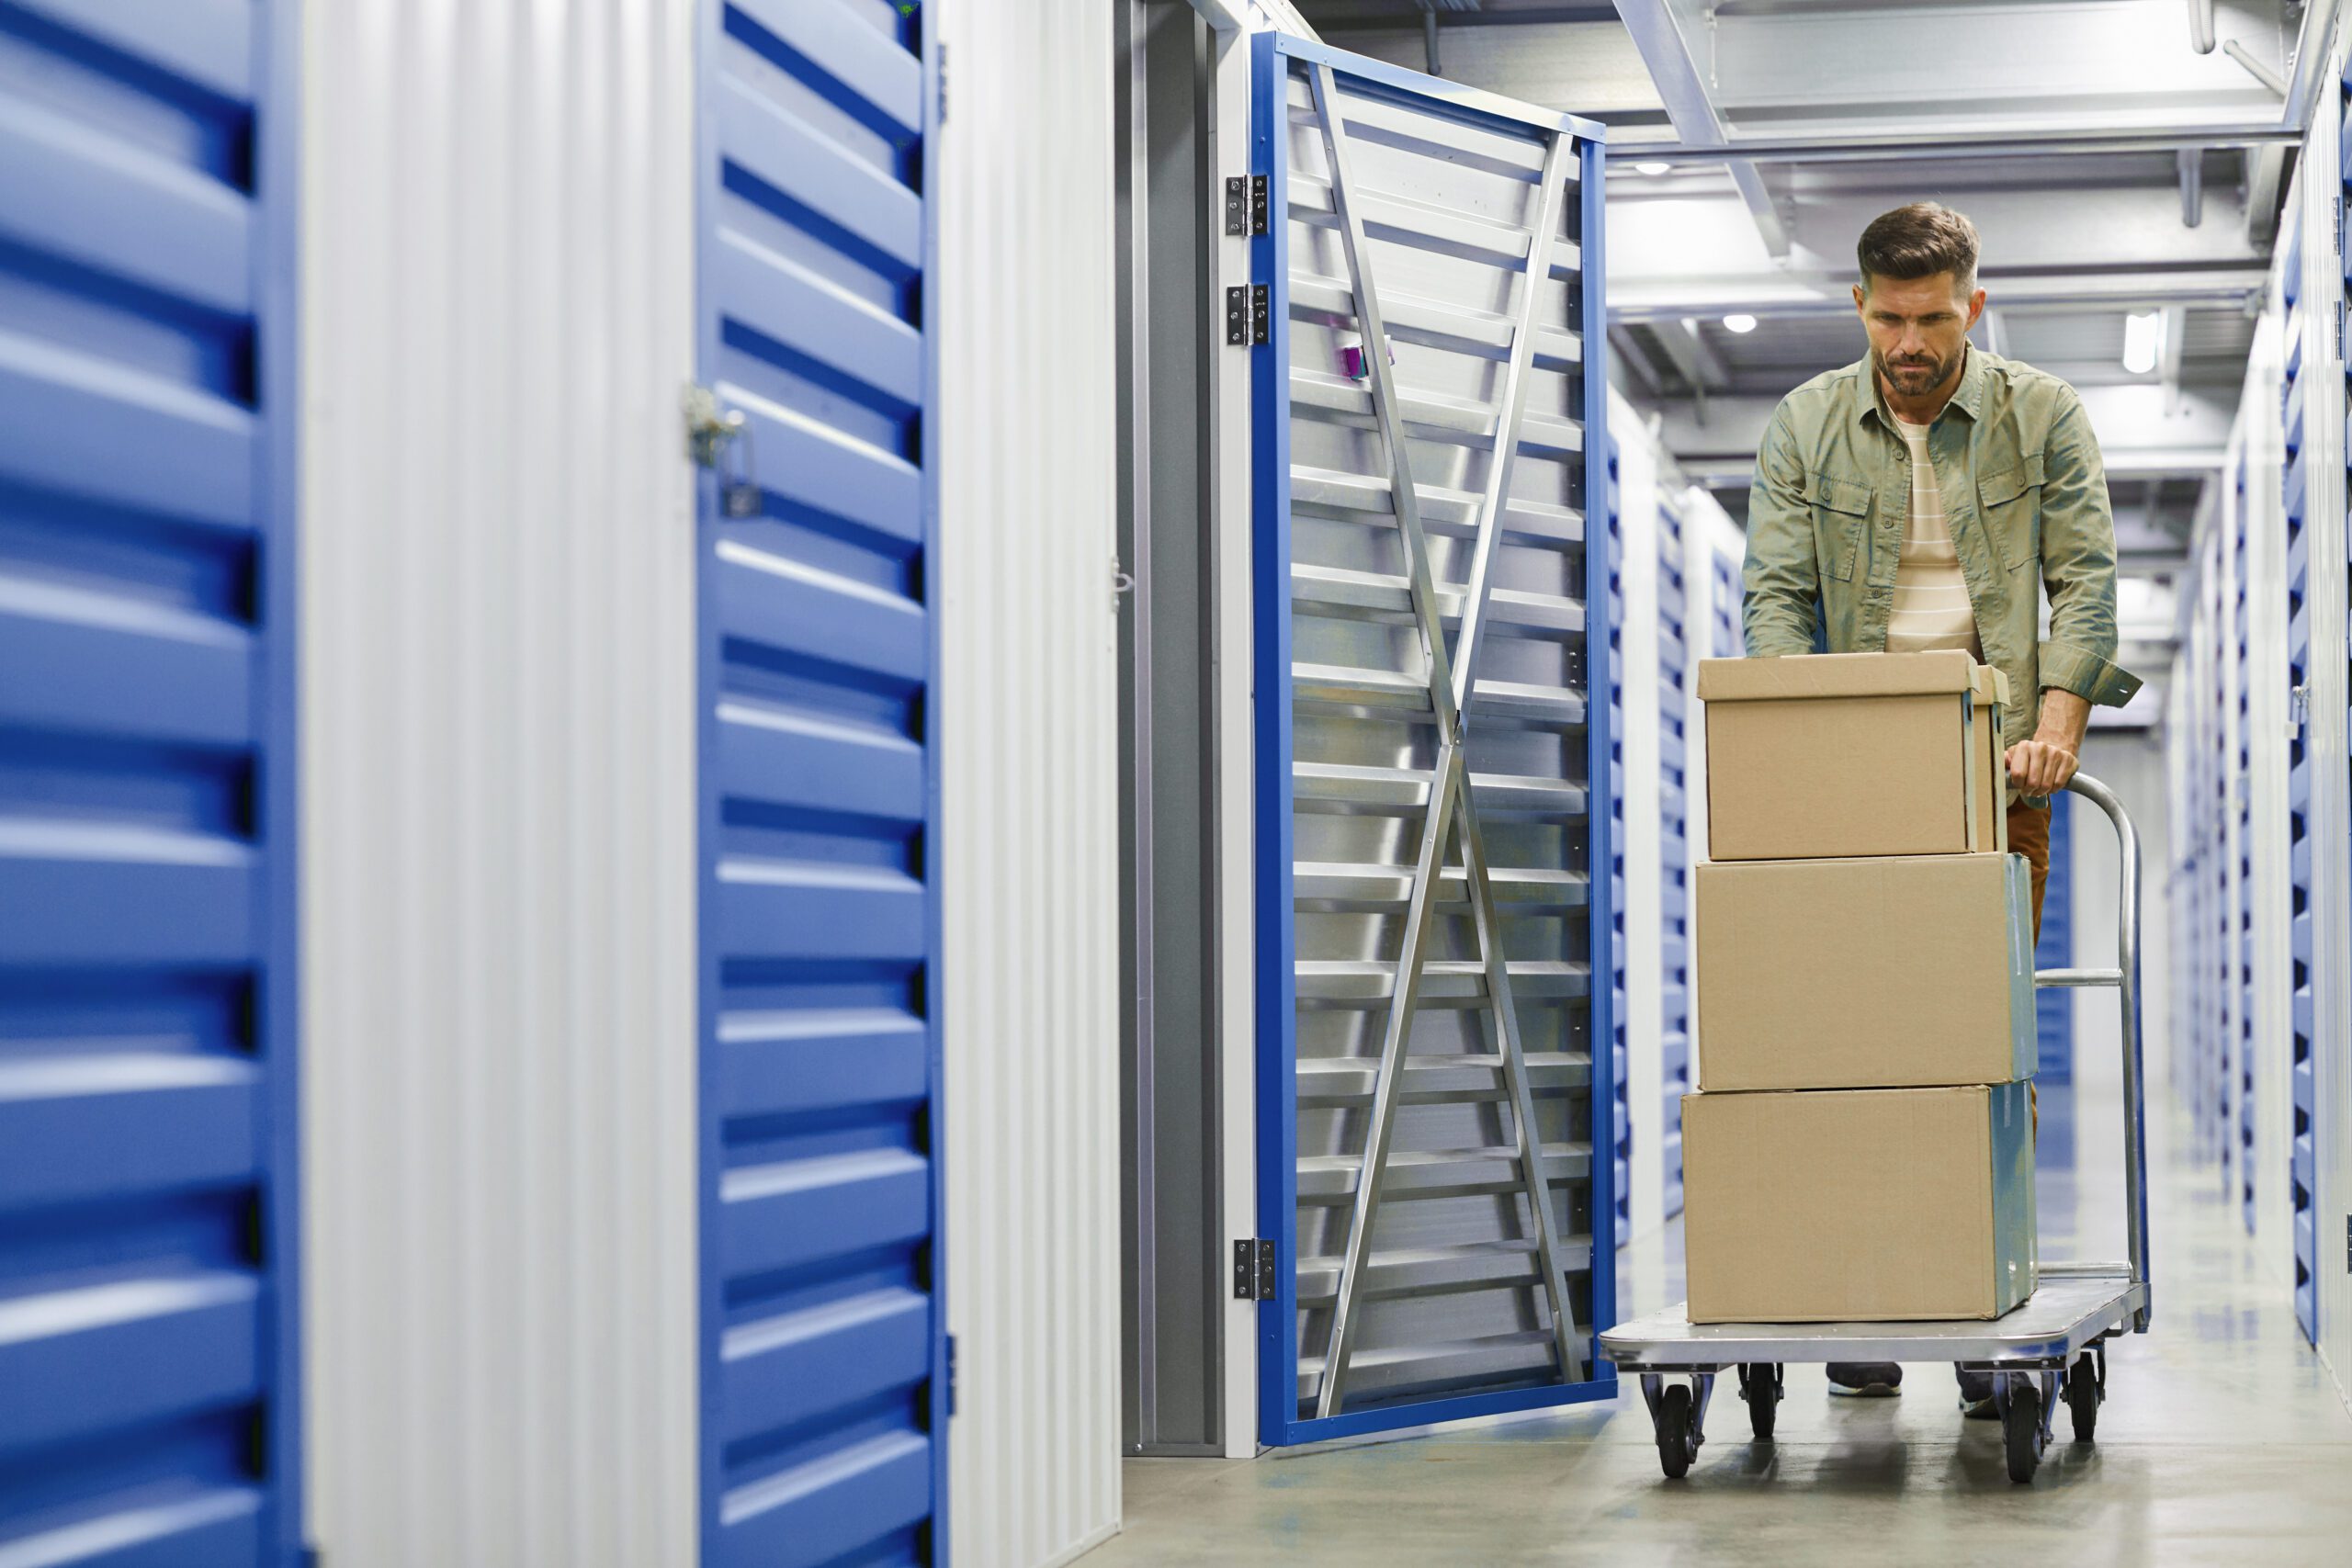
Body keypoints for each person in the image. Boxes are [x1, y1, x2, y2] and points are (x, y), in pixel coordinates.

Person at [1739, 201, 2142, 1416]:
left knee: (1983, 1044)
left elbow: (2086, 576)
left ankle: (1978, 1295)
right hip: (1856, 757)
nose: (1909, 342)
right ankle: (1868, 1292)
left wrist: (2059, 723)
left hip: (1997, 759)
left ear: (1973, 304)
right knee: (1846, 1044)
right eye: (1887, 317)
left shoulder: (2041, 413)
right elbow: (1774, 600)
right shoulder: (1806, 426)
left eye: (1932, 317)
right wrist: (1799, 750)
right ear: (1858, 307)